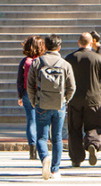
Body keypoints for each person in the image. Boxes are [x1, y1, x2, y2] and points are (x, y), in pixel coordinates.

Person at [28, 34, 75, 180]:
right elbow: (72, 87)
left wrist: (33, 101)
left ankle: (44, 158)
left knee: (41, 137)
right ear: (59, 47)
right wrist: (65, 100)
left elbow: (30, 85)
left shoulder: (37, 62)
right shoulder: (65, 64)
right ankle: (55, 170)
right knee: (57, 138)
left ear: (45, 47)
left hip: (42, 103)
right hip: (59, 105)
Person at [64, 32, 101, 167]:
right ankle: (93, 144)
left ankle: (76, 158)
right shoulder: (98, 58)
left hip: (74, 98)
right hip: (94, 98)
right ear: (91, 42)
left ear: (79, 42)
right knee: (94, 125)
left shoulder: (70, 58)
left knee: (74, 128)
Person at [16, 35, 46, 160]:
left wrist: (20, 95)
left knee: (31, 120)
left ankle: (32, 149)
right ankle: (42, 146)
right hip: (42, 93)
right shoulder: (44, 60)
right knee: (43, 120)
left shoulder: (25, 61)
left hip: (28, 93)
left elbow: (19, 79)